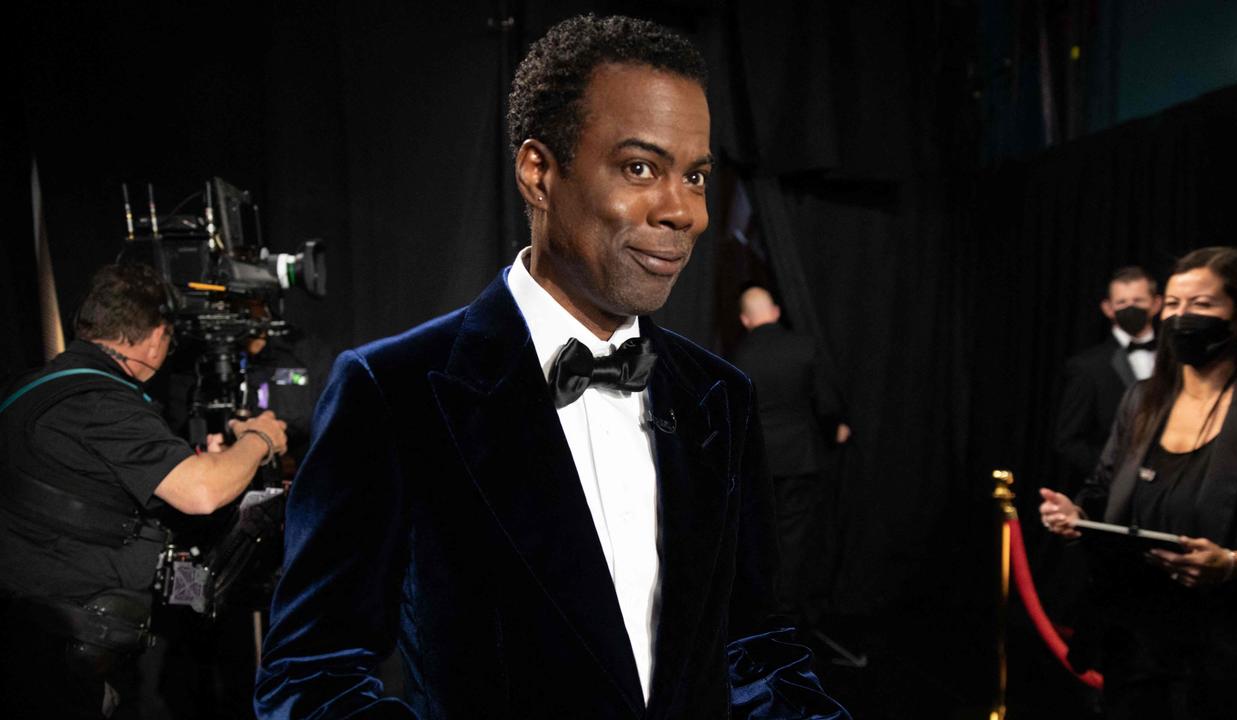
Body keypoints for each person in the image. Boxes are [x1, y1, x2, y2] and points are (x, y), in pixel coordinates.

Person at [255, 15, 849, 720]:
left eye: (694, 176)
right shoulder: (392, 392)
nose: (683, 210)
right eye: (640, 168)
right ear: (539, 172)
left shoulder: (721, 398)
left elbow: (756, 649)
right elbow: (310, 680)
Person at [0, 263, 288, 719]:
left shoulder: (28, 390)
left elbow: (89, 483)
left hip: (28, 636)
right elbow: (202, 493)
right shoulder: (102, 403)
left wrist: (201, 456)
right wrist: (260, 439)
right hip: (60, 657)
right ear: (156, 337)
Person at [1039, 247, 1237, 718]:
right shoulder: (1142, 400)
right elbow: (1102, 490)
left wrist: (1235, 563)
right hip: (1135, 644)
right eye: (1172, 304)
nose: (1181, 317)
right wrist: (1077, 516)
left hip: (1229, 648)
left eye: (1202, 305)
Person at [730, 285, 849, 620]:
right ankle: (789, 610)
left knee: (759, 536)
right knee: (795, 538)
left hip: (758, 462)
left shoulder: (737, 357)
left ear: (745, 320)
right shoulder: (804, 346)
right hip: (800, 458)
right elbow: (825, 402)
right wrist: (837, 426)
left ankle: (764, 609)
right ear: (777, 312)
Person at [1053, 266, 1162, 494]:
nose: (1130, 308)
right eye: (1121, 303)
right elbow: (1069, 440)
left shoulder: (1177, 360)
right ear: (1108, 308)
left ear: (1156, 303)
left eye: (1138, 300)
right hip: (1113, 492)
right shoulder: (1087, 366)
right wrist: (1114, 474)